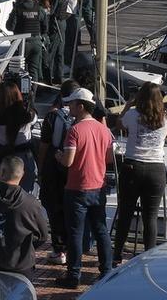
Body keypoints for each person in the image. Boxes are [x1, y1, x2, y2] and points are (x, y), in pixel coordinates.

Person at [57, 87, 114, 289]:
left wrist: (59, 156)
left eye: (72, 103)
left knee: (75, 233)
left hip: (77, 187)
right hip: (98, 187)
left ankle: (74, 275)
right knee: (101, 230)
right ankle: (106, 270)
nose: (69, 106)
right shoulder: (104, 130)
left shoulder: (74, 130)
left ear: (80, 106)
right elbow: (108, 158)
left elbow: (68, 161)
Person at [112, 82, 167, 262]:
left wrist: (128, 105)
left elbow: (119, 124)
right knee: (150, 216)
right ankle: (148, 257)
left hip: (133, 166)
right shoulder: (166, 115)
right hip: (156, 168)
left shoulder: (133, 114)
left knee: (125, 213)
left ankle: (117, 254)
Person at [0, 155, 49, 275]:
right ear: (22, 174)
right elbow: (42, 235)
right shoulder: (30, 203)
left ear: (2, 171)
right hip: (20, 265)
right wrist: (25, 247)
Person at [37, 80, 78, 266]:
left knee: (54, 208)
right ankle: (73, 248)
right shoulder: (80, 117)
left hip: (54, 167)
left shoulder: (53, 117)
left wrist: (41, 167)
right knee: (70, 210)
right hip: (73, 167)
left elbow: (44, 145)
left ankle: (58, 248)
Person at [0, 80, 38, 191]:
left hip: (2, 160)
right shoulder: (27, 116)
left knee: (1, 195)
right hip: (24, 160)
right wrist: (29, 101)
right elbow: (34, 116)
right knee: (24, 195)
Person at [7, 0, 46, 84]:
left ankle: (20, 94)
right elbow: (45, 25)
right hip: (36, 42)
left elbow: (10, 26)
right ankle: (32, 95)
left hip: (22, 43)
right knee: (34, 71)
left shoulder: (17, 8)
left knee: (17, 70)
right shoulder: (39, 8)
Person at [47, 0, 70, 81]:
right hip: (63, 22)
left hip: (56, 24)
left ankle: (49, 76)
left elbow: (51, 11)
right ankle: (59, 76)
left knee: (51, 51)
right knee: (60, 52)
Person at [60, 0, 81, 67]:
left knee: (68, 40)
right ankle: (71, 60)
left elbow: (63, 2)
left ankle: (68, 62)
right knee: (71, 40)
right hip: (71, 14)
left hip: (69, 15)